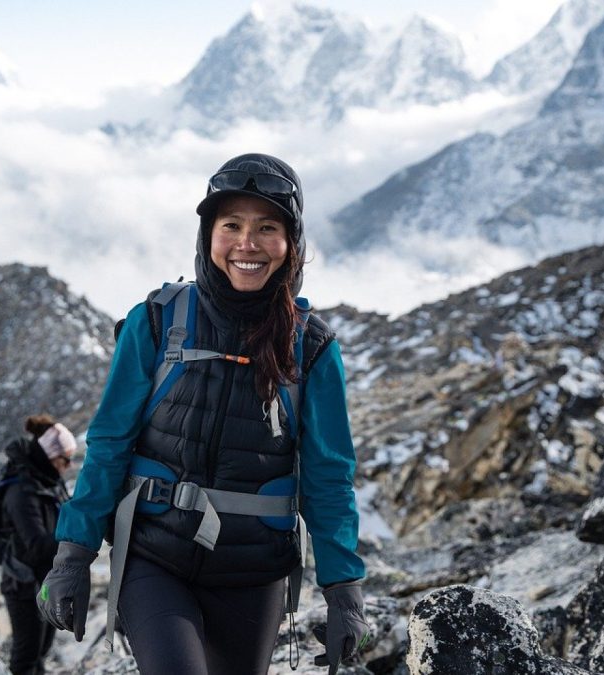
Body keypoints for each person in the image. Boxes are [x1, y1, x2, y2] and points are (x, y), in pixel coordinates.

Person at [38, 153, 369, 674]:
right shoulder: (156, 322)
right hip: (155, 558)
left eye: (268, 228)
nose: (247, 244)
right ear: (207, 236)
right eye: (230, 225)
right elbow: (108, 445)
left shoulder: (311, 348)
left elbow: (329, 478)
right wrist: (72, 558)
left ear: (292, 244)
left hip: (253, 574)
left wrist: (344, 592)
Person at [0, 414, 75, 675]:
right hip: (23, 585)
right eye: (64, 459)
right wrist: (73, 534)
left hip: (45, 582)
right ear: (49, 455)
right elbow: (35, 547)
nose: (67, 466)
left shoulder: (47, 483)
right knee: (26, 655)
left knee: (40, 651)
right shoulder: (22, 491)